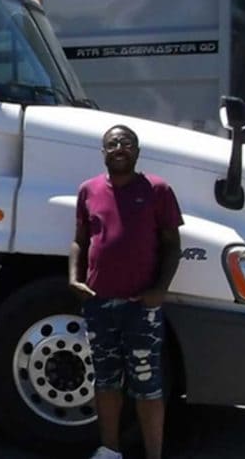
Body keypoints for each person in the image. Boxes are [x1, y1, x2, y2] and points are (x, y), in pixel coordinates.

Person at [70, 124, 183, 459]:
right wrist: (74, 279)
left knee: (148, 384)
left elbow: (172, 246)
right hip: (98, 304)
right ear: (103, 152)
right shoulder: (88, 190)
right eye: (112, 143)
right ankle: (109, 450)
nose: (119, 148)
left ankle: (154, 454)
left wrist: (159, 290)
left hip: (141, 306)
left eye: (127, 143)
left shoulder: (158, 190)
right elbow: (79, 240)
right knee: (105, 381)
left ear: (137, 151)